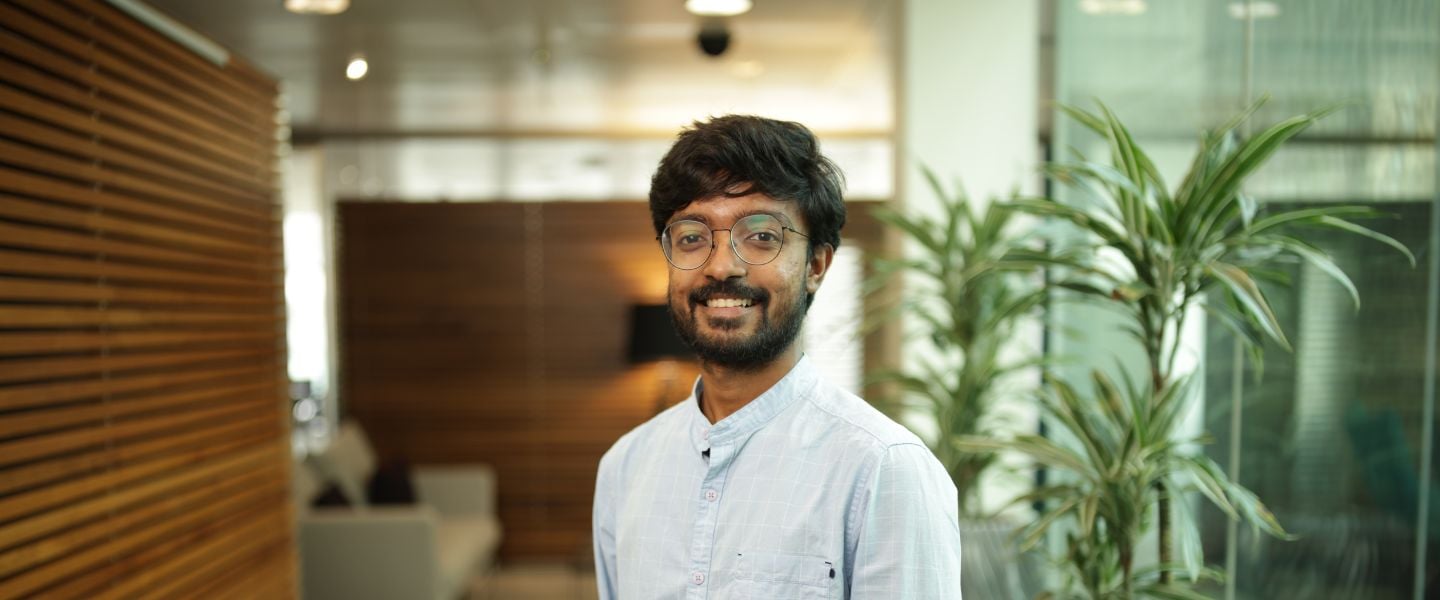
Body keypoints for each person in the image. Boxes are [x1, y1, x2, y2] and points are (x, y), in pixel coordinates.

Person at [593, 115, 962, 599]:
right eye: (692, 237)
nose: (722, 265)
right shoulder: (626, 467)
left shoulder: (882, 470)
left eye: (762, 236)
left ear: (816, 265)